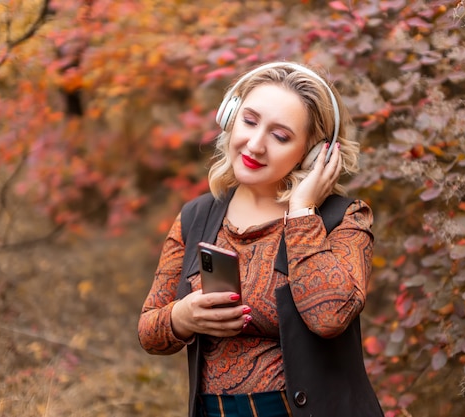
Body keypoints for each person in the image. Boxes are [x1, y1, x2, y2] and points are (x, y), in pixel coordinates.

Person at [138, 61, 383, 417]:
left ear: (314, 154)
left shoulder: (344, 219)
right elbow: (149, 330)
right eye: (250, 121)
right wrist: (182, 318)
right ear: (230, 117)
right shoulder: (196, 217)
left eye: (280, 136)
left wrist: (302, 212)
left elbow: (329, 317)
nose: (255, 145)